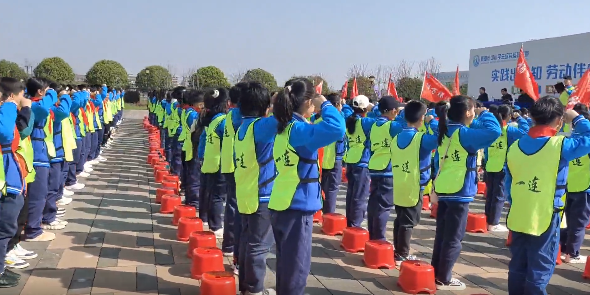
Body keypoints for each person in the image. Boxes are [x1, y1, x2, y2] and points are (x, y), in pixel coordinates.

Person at [261, 78, 345, 294]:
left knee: (286, 262)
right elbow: (337, 129)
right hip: (296, 206)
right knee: (297, 267)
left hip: (282, 199)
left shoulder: (284, 125)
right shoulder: (298, 131)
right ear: (308, 102)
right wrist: (325, 103)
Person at [505, 96, 590, 294]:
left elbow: (508, 185)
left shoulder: (514, 147)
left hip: (519, 214)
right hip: (546, 215)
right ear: (559, 120)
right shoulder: (559, 145)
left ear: (533, 118)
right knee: (540, 268)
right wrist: (577, 118)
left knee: (518, 265)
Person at [432, 95, 501, 290]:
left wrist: (473, 115)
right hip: (459, 190)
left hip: (444, 187)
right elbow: (494, 131)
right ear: (468, 112)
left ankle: (436, 271)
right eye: (472, 109)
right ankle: (444, 278)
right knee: (454, 238)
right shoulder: (465, 134)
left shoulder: (444, 130)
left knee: (442, 235)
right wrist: (485, 113)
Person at [234, 82, 277, 295]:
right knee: (259, 245)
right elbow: (286, 116)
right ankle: (254, 289)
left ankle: (246, 286)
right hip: (262, 194)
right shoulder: (262, 127)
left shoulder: (242, 125)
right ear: (264, 106)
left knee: (247, 241)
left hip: (246, 191)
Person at [390, 100, 438, 265]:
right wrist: (432, 121)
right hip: (414, 184)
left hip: (399, 182)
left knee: (400, 218)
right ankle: (402, 254)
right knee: (409, 221)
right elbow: (441, 136)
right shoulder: (421, 139)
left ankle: (398, 250)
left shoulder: (397, 136)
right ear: (421, 117)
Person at [483, 105, 529, 232]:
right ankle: (494, 223)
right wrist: (520, 118)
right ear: (509, 116)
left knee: (491, 195)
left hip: (490, 165)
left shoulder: (491, 129)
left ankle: (487, 220)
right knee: (499, 196)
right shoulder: (508, 130)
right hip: (502, 167)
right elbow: (526, 132)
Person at [0, 77, 26, 287]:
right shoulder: (5, 112)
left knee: (7, 226)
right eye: (19, 98)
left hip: (10, 175)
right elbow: (6, 134)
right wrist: (9, 105)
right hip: (4, 180)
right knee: (4, 227)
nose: (22, 102)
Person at [366, 96, 403, 240]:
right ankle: (379, 239)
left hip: (374, 166)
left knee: (374, 204)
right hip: (388, 169)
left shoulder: (374, 124)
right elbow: (407, 125)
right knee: (384, 206)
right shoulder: (392, 126)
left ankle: (372, 236)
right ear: (393, 111)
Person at [559, 103, 590, 264]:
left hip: (568, 185)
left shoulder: (569, 140)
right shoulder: (586, 142)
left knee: (567, 219)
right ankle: (572, 254)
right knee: (579, 222)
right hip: (584, 188)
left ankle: (563, 248)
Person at [198, 88, 229, 238]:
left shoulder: (211, 120)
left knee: (208, 193)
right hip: (220, 164)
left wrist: (200, 156)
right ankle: (216, 225)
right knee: (217, 196)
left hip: (209, 161)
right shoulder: (223, 121)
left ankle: (204, 219)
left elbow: (203, 140)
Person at [43, 84, 72, 231]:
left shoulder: (50, 107)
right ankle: (48, 217)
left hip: (57, 151)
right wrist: (63, 94)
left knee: (55, 184)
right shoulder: (46, 108)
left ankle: (51, 210)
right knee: (51, 186)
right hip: (50, 153)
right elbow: (64, 111)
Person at [221, 83, 245, 257]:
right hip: (237, 165)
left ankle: (228, 244)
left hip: (229, 162)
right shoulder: (239, 116)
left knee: (231, 204)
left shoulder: (231, 114)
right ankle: (232, 245)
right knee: (236, 207)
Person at [312, 93, 346, 214]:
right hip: (333, 160)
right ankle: (328, 217)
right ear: (336, 105)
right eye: (340, 104)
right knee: (332, 190)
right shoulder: (339, 121)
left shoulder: (316, 121)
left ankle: (318, 214)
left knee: (320, 188)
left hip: (319, 160)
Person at [343, 95, 373, 228]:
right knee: (360, 196)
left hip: (351, 159)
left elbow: (345, 109)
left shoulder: (349, 119)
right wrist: (375, 107)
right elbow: (380, 118)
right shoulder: (365, 122)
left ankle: (350, 222)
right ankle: (355, 225)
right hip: (362, 161)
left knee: (351, 194)